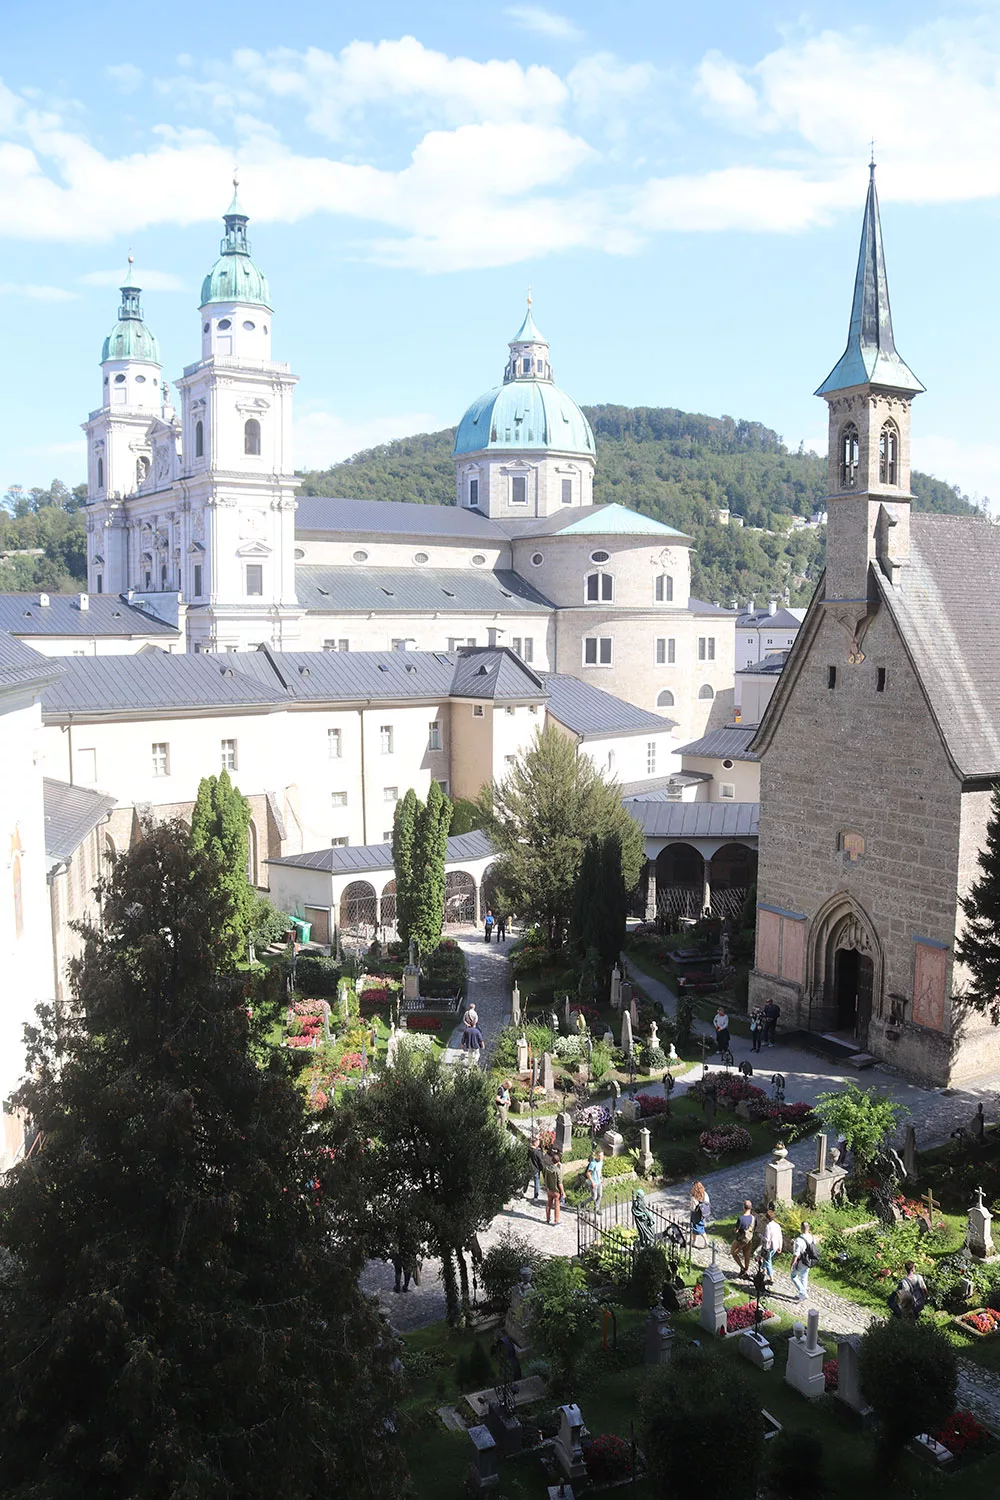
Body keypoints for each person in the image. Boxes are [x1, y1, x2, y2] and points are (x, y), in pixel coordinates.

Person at [790, 1220, 817, 1302]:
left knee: (793, 1276)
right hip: (809, 1260)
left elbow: (796, 1254)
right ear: (808, 1228)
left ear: (801, 1228)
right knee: (804, 1277)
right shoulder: (812, 1237)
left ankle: (803, 1292)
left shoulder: (799, 1239)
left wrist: (792, 1263)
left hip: (801, 1261)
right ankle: (802, 1295)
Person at [731, 1198, 757, 1276]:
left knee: (734, 1253)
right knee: (747, 1256)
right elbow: (754, 1229)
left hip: (740, 1240)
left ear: (744, 1208)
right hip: (749, 1240)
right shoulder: (753, 1218)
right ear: (751, 1208)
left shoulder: (741, 1218)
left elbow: (736, 1230)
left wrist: (735, 1230)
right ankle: (746, 1269)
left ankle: (742, 1268)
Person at [759, 1206, 783, 1282]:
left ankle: (771, 1278)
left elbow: (767, 1239)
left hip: (769, 1247)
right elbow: (780, 1237)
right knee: (766, 1259)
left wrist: (760, 1236)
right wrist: (780, 1246)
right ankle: (762, 1270)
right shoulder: (777, 1226)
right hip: (775, 1247)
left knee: (768, 1261)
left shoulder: (768, 1226)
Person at [543, 1149, 565, 1225]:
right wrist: (563, 1192)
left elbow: (544, 1177)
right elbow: (560, 1183)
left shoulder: (547, 1168)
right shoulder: (558, 1171)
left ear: (552, 1160)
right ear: (558, 1161)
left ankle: (548, 1218)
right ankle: (556, 1220)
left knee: (548, 1204)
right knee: (557, 1206)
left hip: (549, 1189)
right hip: (556, 1191)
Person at [690, 1180, 711, 1248]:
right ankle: (700, 1241)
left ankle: (699, 1241)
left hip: (696, 1214)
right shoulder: (704, 1193)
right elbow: (707, 1202)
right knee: (699, 1227)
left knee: (696, 1228)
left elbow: (693, 1207)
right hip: (702, 1213)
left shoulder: (694, 1196)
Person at [527, 1130, 545, 1201]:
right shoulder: (537, 1152)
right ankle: (536, 1196)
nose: (539, 1142)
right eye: (538, 1141)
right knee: (536, 1182)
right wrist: (543, 1169)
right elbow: (541, 1162)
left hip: (529, 1167)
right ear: (535, 1143)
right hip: (536, 1169)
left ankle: (523, 1191)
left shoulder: (529, 1149)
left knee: (527, 1180)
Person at [586, 1146, 604, 1211]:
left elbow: (599, 1171)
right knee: (594, 1197)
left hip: (599, 1182)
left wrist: (601, 1178)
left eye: (601, 1156)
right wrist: (592, 1182)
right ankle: (583, 1204)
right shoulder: (593, 1163)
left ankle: (596, 1208)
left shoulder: (601, 1162)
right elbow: (588, 1173)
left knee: (600, 1195)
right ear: (596, 1156)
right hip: (593, 1183)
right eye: (599, 1156)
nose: (600, 1157)